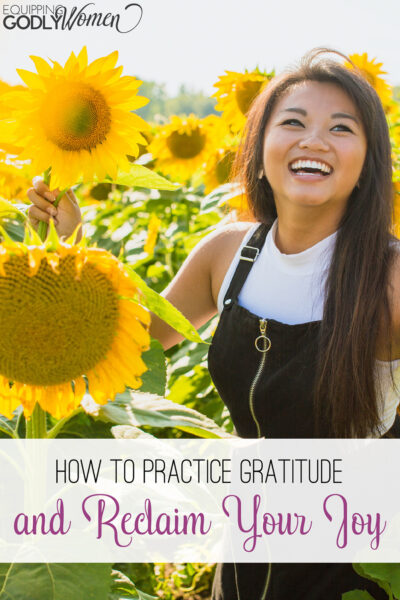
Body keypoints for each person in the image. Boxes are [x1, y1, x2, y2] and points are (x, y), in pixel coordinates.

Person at [27, 48, 400, 599]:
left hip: (357, 566)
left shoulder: (388, 275)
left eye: (341, 129)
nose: (313, 140)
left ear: (368, 160)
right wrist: (69, 244)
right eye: (292, 122)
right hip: (248, 549)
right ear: (260, 145)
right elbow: (132, 344)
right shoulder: (229, 253)